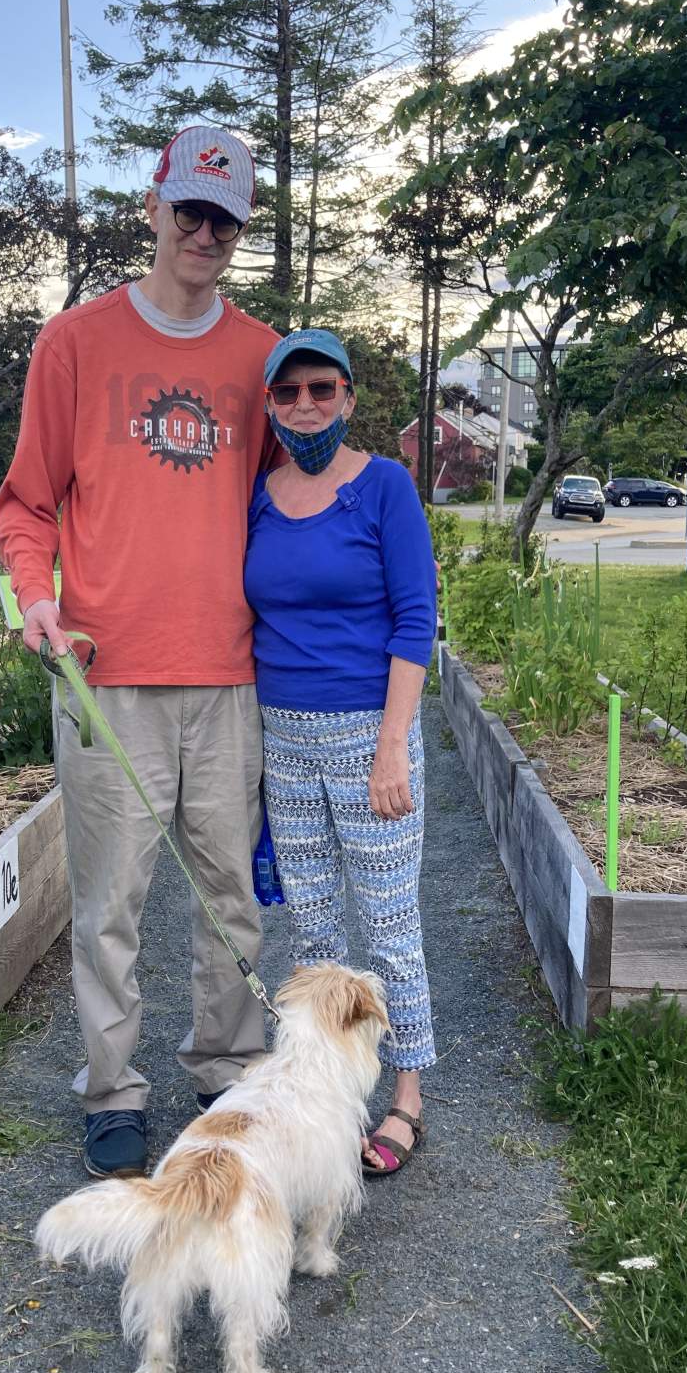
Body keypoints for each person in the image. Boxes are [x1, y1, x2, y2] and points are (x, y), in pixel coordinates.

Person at [0, 127, 279, 1180]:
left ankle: (228, 1069)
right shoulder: (74, 343)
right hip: (106, 671)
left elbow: (288, 502)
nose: (204, 233)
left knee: (229, 895)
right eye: (189, 210)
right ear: (153, 207)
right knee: (110, 902)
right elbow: (26, 502)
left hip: (231, 674)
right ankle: (112, 1089)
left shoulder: (261, 357)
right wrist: (36, 596)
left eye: (225, 219)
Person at [243, 328, 438, 1176]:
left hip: (369, 735)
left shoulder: (384, 487)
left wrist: (393, 744)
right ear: (271, 406)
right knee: (314, 929)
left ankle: (406, 1095)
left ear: (350, 397)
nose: (305, 407)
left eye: (322, 389)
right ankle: (325, 1090)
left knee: (389, 925)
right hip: (282, 737)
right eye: (288, 394)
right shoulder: (259, 494)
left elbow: (415, 618)